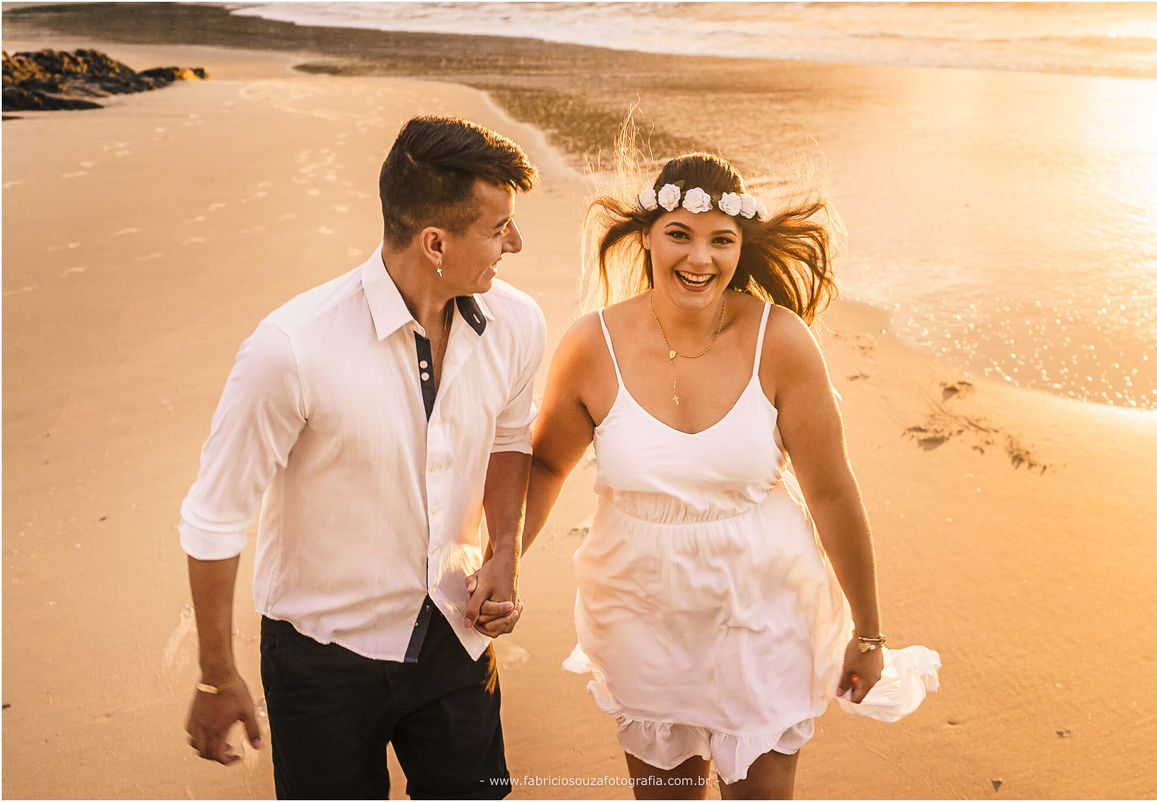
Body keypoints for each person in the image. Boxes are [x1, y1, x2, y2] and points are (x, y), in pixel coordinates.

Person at [508, 147, 936, 799]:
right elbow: (542, 466)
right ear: (646, 236)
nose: (699, 258)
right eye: (679, 235)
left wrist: (867, 631)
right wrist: (501, 562)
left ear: (741, 247)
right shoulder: (591, 347)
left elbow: (831, 492)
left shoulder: (782, 341)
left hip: (765, 606)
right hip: (641, 610)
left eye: (721, 241)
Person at [179, 115, 545, 799]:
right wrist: (214, 671)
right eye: (499, 229)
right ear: (435, 242)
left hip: (454, 638)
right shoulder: (291, 348)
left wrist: (503, 554)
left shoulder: (517, 323)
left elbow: (509, 437)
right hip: (320, 660)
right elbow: (213, 517)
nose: (514, 244)